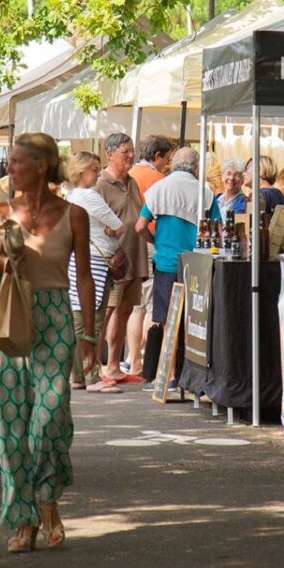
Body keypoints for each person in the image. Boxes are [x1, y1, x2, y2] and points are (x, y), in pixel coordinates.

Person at [0, 133, 96, 552]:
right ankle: (23, 519)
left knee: (48, 417)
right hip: (12, 316)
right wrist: (3, 257)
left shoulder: (75, 215)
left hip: (54, 317)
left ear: (41, 167)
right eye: (8, 162)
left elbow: (84, 275)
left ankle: (47, 498)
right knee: (12, 423)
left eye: (16, 162)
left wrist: (90, 334)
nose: (9, 169)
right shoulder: (0, 210)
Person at [135, 148, 213, 388]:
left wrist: (155, 243)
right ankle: (184, 374)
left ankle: (165, 375)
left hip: (166, 261)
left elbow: (139, 226)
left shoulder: (159, 188)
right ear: (196, 166)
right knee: (192, 321)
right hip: (195, 263)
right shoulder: (204, 192)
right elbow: (217, 226)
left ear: (173, 163)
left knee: (167, 319)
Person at [65, 151, 124, 394]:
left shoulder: (70, 194)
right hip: (96, 261)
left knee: (81, 318)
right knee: (92, 319)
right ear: (81, 172)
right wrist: (113, 229)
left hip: (80, 259)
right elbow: (118, 225)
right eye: (94, 169)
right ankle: (91, 375)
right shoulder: (88, 196)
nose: (98, 173)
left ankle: (78, 374)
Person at [96, 133, 149, 383]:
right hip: (113, 261)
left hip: (134, 256)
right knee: (106, 311)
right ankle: (93, 367)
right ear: (110, 154)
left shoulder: (132, 182)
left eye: (132, 151)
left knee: (125, 310)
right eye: (125, 152)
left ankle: (115, 366)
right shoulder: (100, 184)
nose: (131, 156)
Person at [125, 135, 174, 375]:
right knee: (152, 306)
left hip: (129, 246)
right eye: (167, 159)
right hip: (150, 243)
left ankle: (133, 360)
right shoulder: (158, 180)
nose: (168, 164)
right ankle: (149, 363)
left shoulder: (130, 173)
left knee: (137, 306)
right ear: (157, 156)